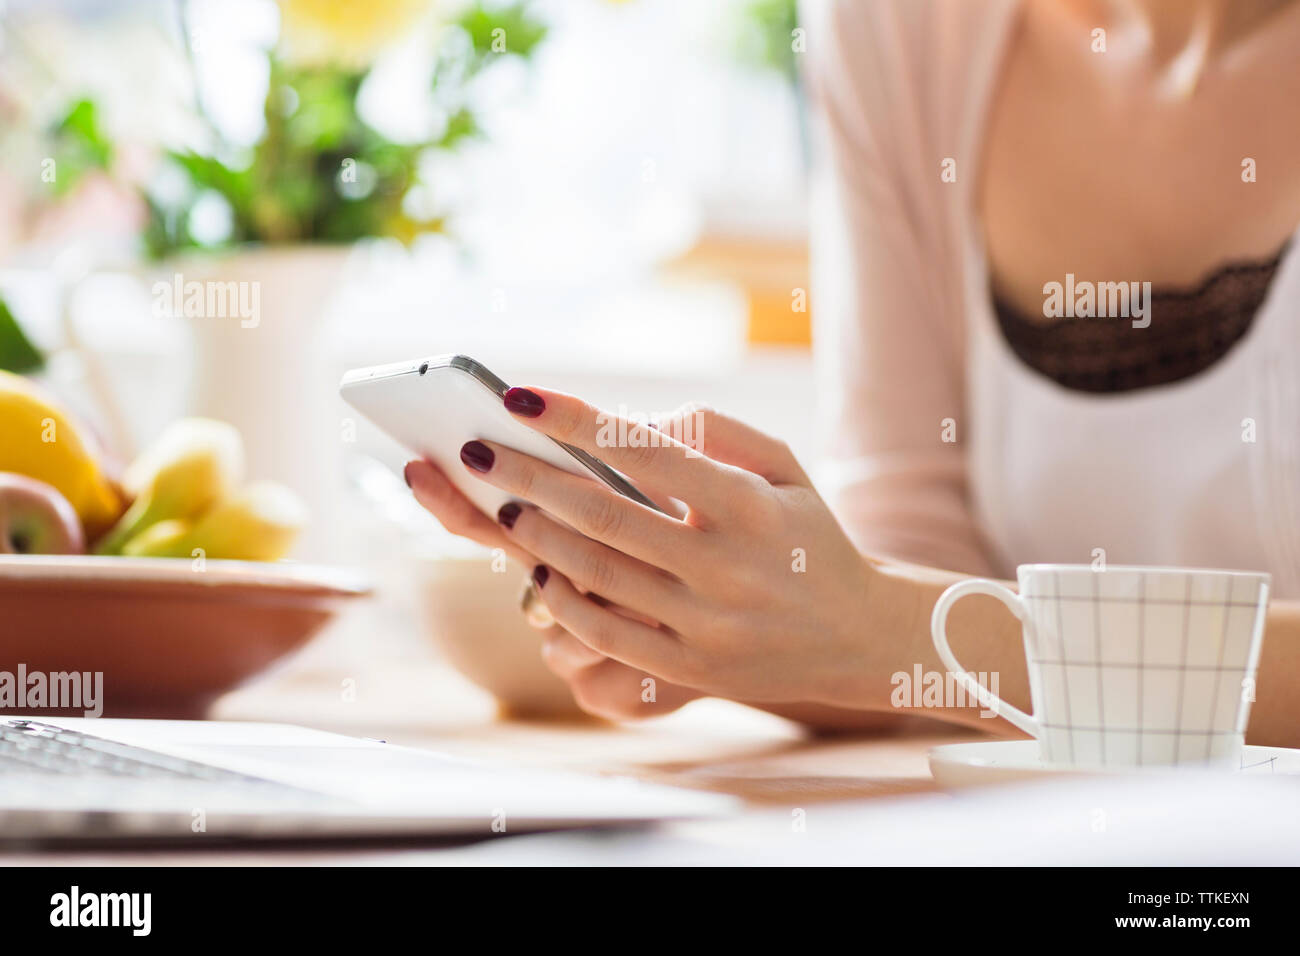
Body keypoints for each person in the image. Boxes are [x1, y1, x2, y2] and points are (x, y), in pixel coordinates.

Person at [406, 0, 1300, 743]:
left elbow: (905, 628)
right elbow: (913, 580)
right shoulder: (902, 25)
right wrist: (715, 624)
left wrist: (890, 631)